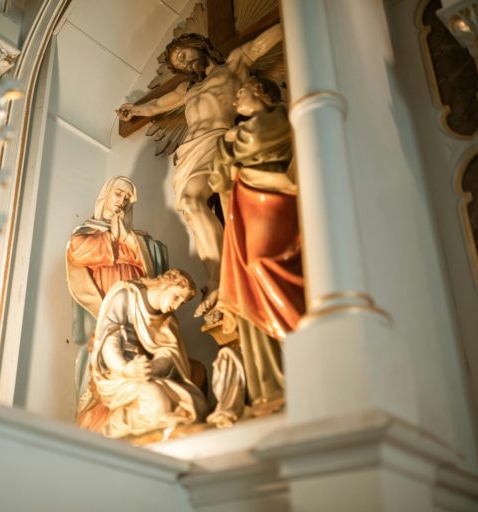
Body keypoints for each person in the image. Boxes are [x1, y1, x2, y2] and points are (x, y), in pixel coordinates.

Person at [117, 25, 283, 318]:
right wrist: (135, 110)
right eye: (178, 63)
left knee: (208, 200)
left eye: (183, 54)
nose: (183, 63)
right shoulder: (187, 89)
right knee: (191, 207)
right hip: (190, 151)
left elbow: (261, 44)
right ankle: (217, 276)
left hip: (220, 139)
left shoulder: (234, 64)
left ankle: (225, 276)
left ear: (198, 45)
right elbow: (157, 105)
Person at [208, 76, 305, 415]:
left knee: (264, 264)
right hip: (244, 208)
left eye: (242, 92)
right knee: (247, 283)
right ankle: (269, 386)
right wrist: (226, 144)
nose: (235, 100)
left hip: (273, 198)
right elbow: (217, 179)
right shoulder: (234, 134)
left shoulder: (280, 117)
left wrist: (228, 142)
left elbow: (252, 144)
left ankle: (303, 352)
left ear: (261, 92)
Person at [66, 177, 168, 426]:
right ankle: (96, 416)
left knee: (133, 351)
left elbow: (157, 261)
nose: (122, 201)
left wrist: (129, 240)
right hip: (102, 303)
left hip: (133, 306)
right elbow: (77, 251)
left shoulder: (138, 238)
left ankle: (133, 411)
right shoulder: (86, 232)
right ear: (105, 195)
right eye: (118, 193)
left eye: (127, 198)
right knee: (102, 350)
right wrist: (115, 239)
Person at [85, 269, 207, 438]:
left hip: (147, 373)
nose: (177, 306)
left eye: (182, 302)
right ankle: (121, 429)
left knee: (196, 403)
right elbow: (109, 341)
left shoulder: (167, 320)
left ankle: (165, 432)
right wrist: (126, 368)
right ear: (166, 284)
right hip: (118, 373)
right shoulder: (126, 296)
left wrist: (151, 367)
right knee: (157, 400)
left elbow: (169, 354)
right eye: (177, 297)